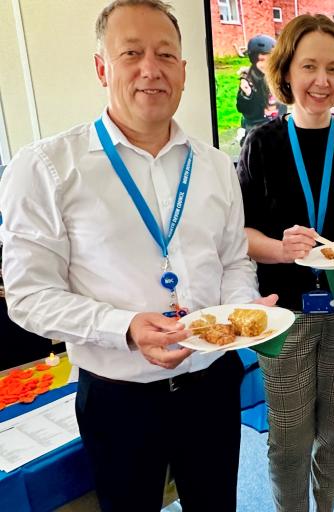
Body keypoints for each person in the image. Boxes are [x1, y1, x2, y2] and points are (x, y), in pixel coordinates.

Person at [0, 1, 276, 510]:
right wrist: (124, 326)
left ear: (184, 71)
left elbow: (235, 259)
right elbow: (28, 296)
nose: (151, 68)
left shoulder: (215, 166)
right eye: (132, 53)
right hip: (118, 396)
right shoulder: (45, 168)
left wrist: (242, 312)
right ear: (102, 66)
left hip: (210, 384)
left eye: (166, 54)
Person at [237, 14, 334, 512]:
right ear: (286, 72)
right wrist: (281, 248)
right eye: (310, 66)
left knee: (333, 433)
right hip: (283, 314)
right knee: (288, 439)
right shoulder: (260, 145)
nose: (322, 81)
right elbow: (242, 236)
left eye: (333, 67)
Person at [236, 34, 287, 144]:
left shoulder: (278, 77)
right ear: (253, 60)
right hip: (256, 131)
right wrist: (247, 95)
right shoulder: (249, 80)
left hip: (277, 129)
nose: (266, 65)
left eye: (270, 60)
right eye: (261, 60)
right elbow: (244, 109)